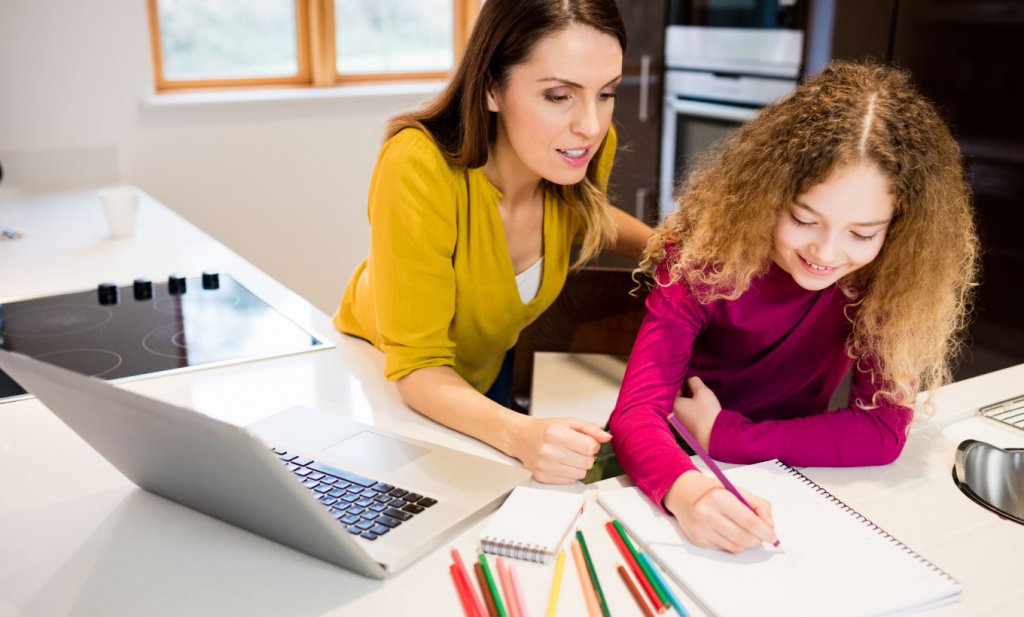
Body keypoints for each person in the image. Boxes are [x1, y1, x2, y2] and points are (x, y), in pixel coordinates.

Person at [609, 61, 979, 553]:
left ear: (897, 227)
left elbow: (882, 431)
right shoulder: (701, 257)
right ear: (770, 195)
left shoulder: (890, 278)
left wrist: (730, 436)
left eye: (862, 233)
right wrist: (689, 491)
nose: (826, 254)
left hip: (794, 471)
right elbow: (637, 413)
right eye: (804, 220)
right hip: (673, 460)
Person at [335, 0, 652, 484]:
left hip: (481, 370)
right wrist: (520, 435)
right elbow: (419, 368)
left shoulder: (573, 153)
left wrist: (669, 248)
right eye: (558, 96)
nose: (590, 125)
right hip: (385, 380)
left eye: (605, 94)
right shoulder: (418, 167)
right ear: (490, 89)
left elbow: (582, 214)